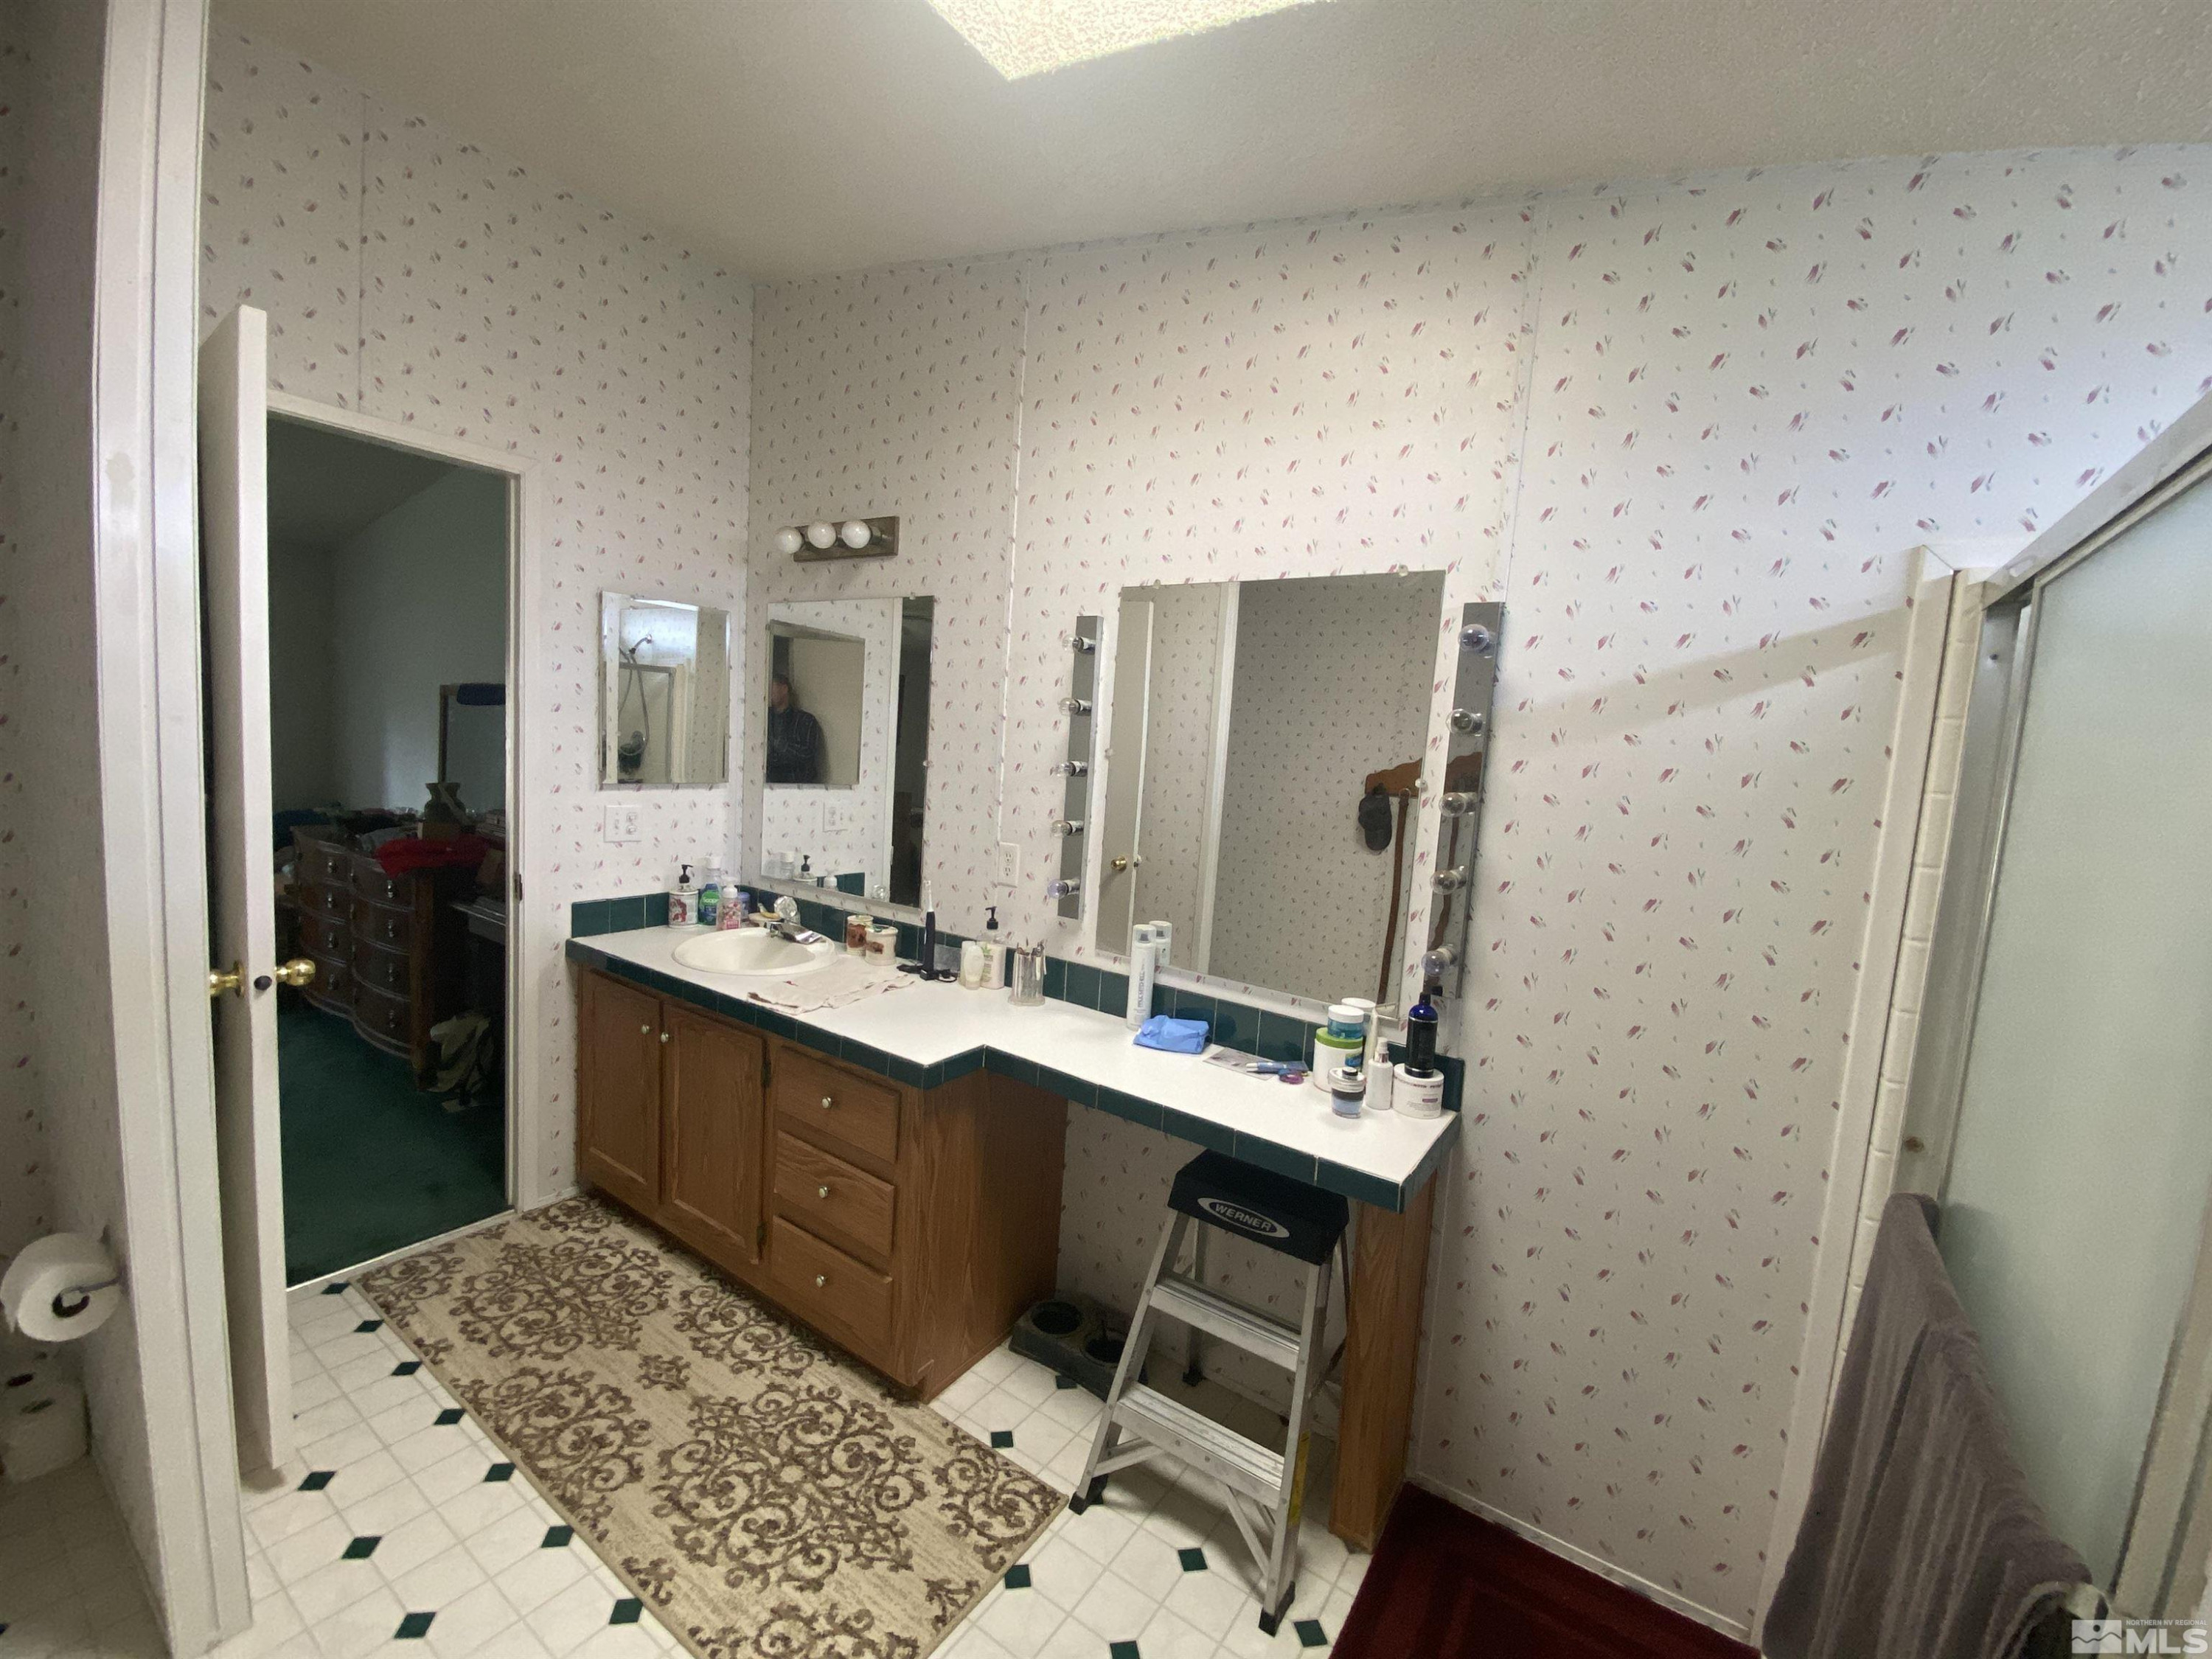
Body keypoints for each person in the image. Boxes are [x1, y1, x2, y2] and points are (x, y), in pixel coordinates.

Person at [765, 673, 824, 784]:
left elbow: (808, 756)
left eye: (770, 687)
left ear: (784, 689)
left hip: (798, 791)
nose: (767, 692)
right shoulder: (762, 720)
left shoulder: (806, 721)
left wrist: (781, 747)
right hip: (766, 789)